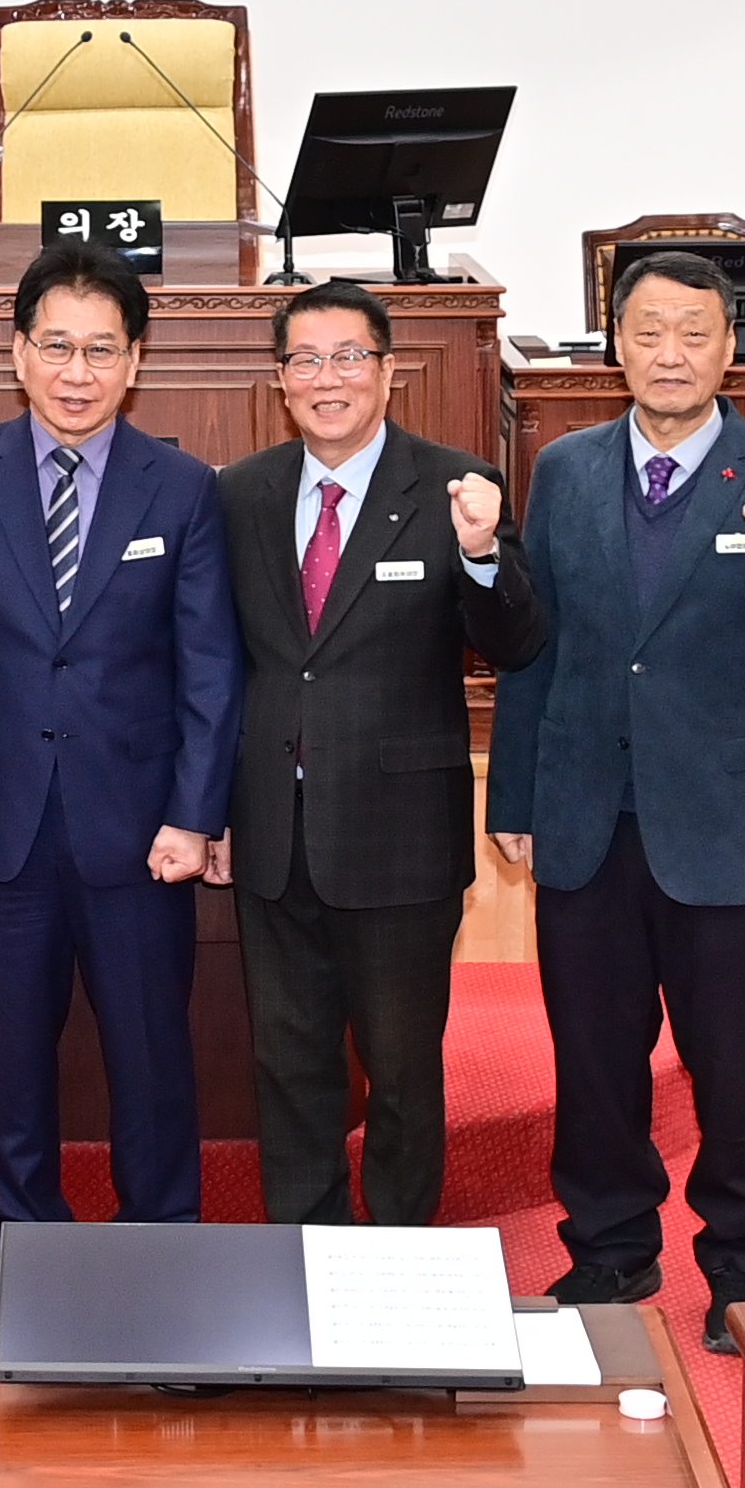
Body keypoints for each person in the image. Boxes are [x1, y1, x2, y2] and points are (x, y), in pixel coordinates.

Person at [488, 248, 745, 1351]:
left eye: (694, 333)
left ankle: (744, 1268)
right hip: (587, 813)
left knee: (735, 1069)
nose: (669, 353)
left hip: (727, 825)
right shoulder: (564, 468)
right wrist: (516, 789)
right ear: (616, 345)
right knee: (595, 1060)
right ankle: (610, 1248)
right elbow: (534, 642)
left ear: (729, 348)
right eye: (647, 331)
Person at [0, 241, 243, 1226]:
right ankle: (24, 1231)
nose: (79, 372)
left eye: (102, 349)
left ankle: (159, 1234)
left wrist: (196, 812)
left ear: (136, 359)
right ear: (20, 352)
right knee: (11, 1054)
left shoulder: (182, 485)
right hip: (3, 821)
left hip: (141, 826)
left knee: (151, 1052)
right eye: (58, 346)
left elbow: (211, 664)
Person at [217, 278, 545, 1228]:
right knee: (288, 1063)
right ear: (281, 381)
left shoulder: (454, 485)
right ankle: (304, 1248)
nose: (329, 379)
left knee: (402, 1069)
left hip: (399, 835)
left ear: (389, 371)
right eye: (306, 360)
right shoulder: (240, 494)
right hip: (273, 828)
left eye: (349, 357)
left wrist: (481, 555)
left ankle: (401, 1253)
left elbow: (518, 642)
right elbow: (218, 660)